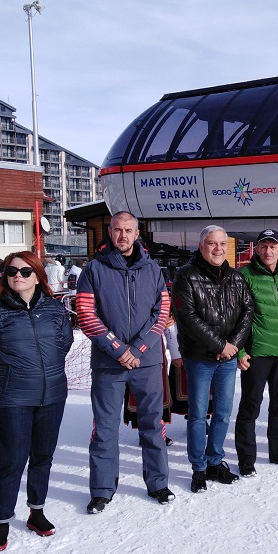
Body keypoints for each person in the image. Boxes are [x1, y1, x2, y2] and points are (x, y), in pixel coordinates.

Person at [0, 251, 73, 552]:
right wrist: (5, 379)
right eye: (12, 271)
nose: (18, 276)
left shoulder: (54, 310)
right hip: (12, 398)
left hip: (52, 394)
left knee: (43, 457)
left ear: (38, 275)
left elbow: (62, 344)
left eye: (26, 271)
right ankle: (2, 521)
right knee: (12, 461)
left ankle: (36, 511)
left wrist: (46, 373)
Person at [76, 211, 173, 510]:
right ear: (110, 231)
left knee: (152, 425)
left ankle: (158, 483)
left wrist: (140, 347)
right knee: (104, 428)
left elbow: (163, 311)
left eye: (128, 230)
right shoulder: (93, 270)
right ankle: (102, 489)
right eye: (117, 230)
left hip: (147, 362)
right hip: (109, 364)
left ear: (137, 233)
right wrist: (118, 349)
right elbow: (86, 315)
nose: (123, 236)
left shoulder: (153, 269)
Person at [172, 225, 254, 493]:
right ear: (201, 246)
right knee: (197, 415)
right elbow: (188, 318)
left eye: (222, 243)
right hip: (199, 358)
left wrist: (232, 347)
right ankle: (198, 467)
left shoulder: (236, 278)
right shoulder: (186, 276)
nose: (217, 248)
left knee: (222, 413)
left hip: (227, 359)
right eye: (211, 243)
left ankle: (214, 461)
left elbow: (247, 312)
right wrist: (220, 344)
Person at [234, 228, 278, 477]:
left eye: (273, 246)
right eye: (263, 246)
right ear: (257, 249)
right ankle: (246, 458)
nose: (268, 250)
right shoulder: (245, 275)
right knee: (250, 406)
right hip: (257, 353)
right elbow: (236, 317)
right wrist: (240, 351)